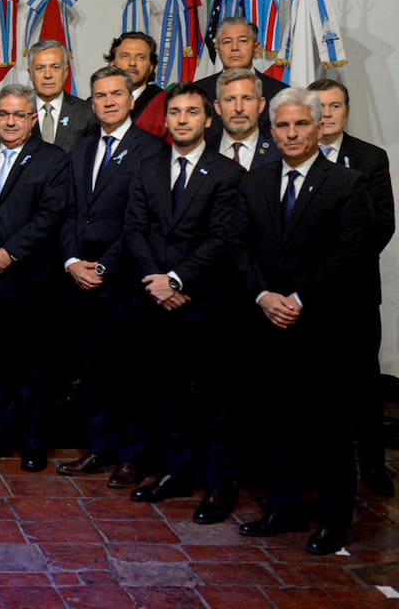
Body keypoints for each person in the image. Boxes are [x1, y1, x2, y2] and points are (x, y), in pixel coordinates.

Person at [236, 88, 370, 556]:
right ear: (272, 132)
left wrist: (298, 297)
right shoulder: (255, 181)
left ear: (318, 127)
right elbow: (241, 249)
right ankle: (282, 508)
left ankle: (334, 520)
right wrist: (263, 295)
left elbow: (352, 255)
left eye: (301, 125)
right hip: (267, 322)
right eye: (283, 126)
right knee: (276, 422)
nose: (291, 134)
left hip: (321, 328)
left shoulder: (346, 184)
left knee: (328, 430)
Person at [122, 83, 245, 523]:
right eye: (175, 112)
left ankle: (216, 485)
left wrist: (177, 279)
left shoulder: (228, 174)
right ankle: (176, 472)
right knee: (168, 392)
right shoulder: (147, 167)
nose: (182, 119)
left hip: (203, 303)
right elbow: (135, 228)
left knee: (213, 400)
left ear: (208, 119)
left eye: (192, 112)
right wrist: (156, 281)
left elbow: (223, 239)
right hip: (154, 301)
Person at [56, 66, 166, 488]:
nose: (108, 101)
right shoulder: (81, 149)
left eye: (116, 94)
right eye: (100, 95)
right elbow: (68, 212)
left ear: (131, 99)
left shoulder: (151, 150)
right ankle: (100, 448)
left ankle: (132, 456)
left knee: (131, 375)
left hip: (123, 282)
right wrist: (71, 262)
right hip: (80, 280)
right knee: (94, 372)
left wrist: (104, 266)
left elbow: (143, 221)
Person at [0, 83, 69, 472]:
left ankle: (32, 443)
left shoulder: (53, 159)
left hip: (29, 281)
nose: (10, 121)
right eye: (3, 114)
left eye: (19, 115)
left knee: (31, 370)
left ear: (33, 120)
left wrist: (9, 253)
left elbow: (49, 216)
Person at [311, 77, 395, 499]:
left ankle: (375, 466)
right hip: (305, 294)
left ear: (347, 111)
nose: (327, 114)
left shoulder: (370, 157)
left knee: (363, 385)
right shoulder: (294, 155)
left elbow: (382, 225)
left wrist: (337, 266)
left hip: (355, 292)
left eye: (335, 106)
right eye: (319, 106)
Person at [193, 17, 284, 135]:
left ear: (256, 48)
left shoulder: (279, 93)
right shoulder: (198, 92)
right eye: (227, 42)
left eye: (242, 41)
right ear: (218, 50)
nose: (234, 48)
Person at [27, 39, 98, 152]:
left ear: (65, 72)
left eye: (55, 67)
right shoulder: (19, 112)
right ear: (30, 74)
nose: (48, 75)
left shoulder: (85, 112)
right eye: (40, 68)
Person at [206, 69, 280, 170]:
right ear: (218, 107)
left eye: (247, 99)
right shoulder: (204, 150)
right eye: (230, 100)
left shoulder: (279, 152)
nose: (239, 108)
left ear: (261, 105)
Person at [105, 32, 161, 121]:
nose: (132, 63)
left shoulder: (164, 104)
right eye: (125, 56)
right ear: (112, 64)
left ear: (151, 67)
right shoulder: (94, 104)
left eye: (140, 57)